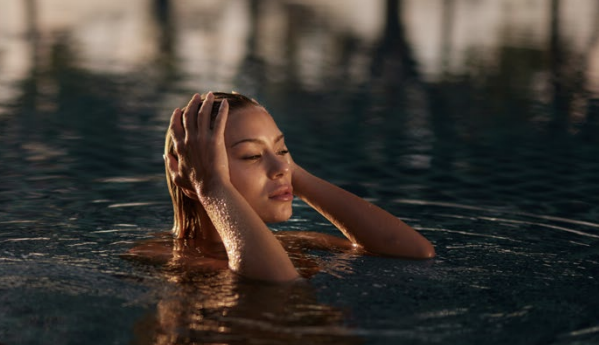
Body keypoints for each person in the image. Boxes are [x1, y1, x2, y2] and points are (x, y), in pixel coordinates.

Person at [159, 91, 434, 282]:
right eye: (252, 155)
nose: (280, 169)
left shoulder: (294, 243)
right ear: (190, 177)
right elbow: (278, 286)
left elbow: (415, 253)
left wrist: (296, 174)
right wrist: (211, 187)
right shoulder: (163, 259)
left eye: (282, 150)